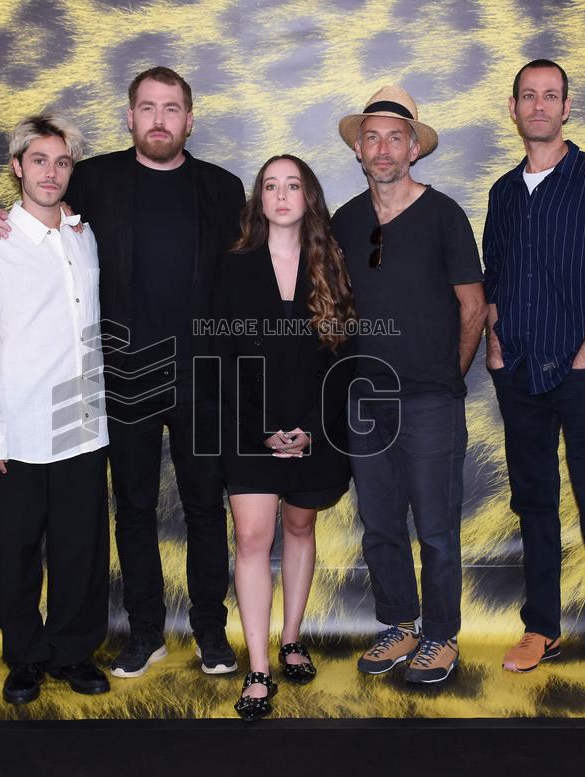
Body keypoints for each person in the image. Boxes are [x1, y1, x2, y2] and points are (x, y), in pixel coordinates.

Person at [0, 67, 245, 678]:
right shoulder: (94, 178)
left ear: (189, 119)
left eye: (171, 108)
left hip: (203, 379)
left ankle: (209, 629)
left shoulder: (224, 190)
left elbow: (245, 282)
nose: (158, 119)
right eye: (146, 107)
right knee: (134, 509)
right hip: (122, 379)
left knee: (205, 507)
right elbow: (35, 212)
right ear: (129, 117)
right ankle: (144, 630)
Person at [483, 59, 585, 708]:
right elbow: (494, 281)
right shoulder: (501, 192)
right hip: (518, 376)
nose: (540, 105)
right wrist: (495, 346)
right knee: (534, 506)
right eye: (530, 95)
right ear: (514, 107)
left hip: (582, 375)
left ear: (567, 107)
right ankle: (541, 626)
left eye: (551, 95)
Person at [331, 85, 487, 684]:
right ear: (360, 150)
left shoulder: (444, 214)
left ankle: (441, 636)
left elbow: (473, 308)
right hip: (365, 400)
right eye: (372, 136)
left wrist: (448, 375)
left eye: (396, 137)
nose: (383, 147)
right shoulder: (345, 221)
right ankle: (400, 625)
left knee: (438, 528)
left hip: (429, 400)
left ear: (414, 149)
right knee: (381, 524)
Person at [0, 114, 111, 704]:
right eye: (39, 160)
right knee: (18, 552)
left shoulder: (82, 236)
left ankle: (75, 653)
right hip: (16, 430)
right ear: (17, 167)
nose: (51, 172)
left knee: (81, 550)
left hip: (80, 424)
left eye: (62, 162)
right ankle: (24, 658)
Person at [211, 155, 356, 721]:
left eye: (292, 185)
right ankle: (258, 667)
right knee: (251, 537)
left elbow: (344, 359)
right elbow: (219, 359)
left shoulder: (332, 266)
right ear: (259, 199)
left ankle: (291, 639)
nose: (280, 195)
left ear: (308, 197)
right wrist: (261, 431)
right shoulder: (234, 266)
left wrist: (312, 432)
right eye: (270, 185)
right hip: (250, 430)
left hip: (314, 430)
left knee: (299, 525)